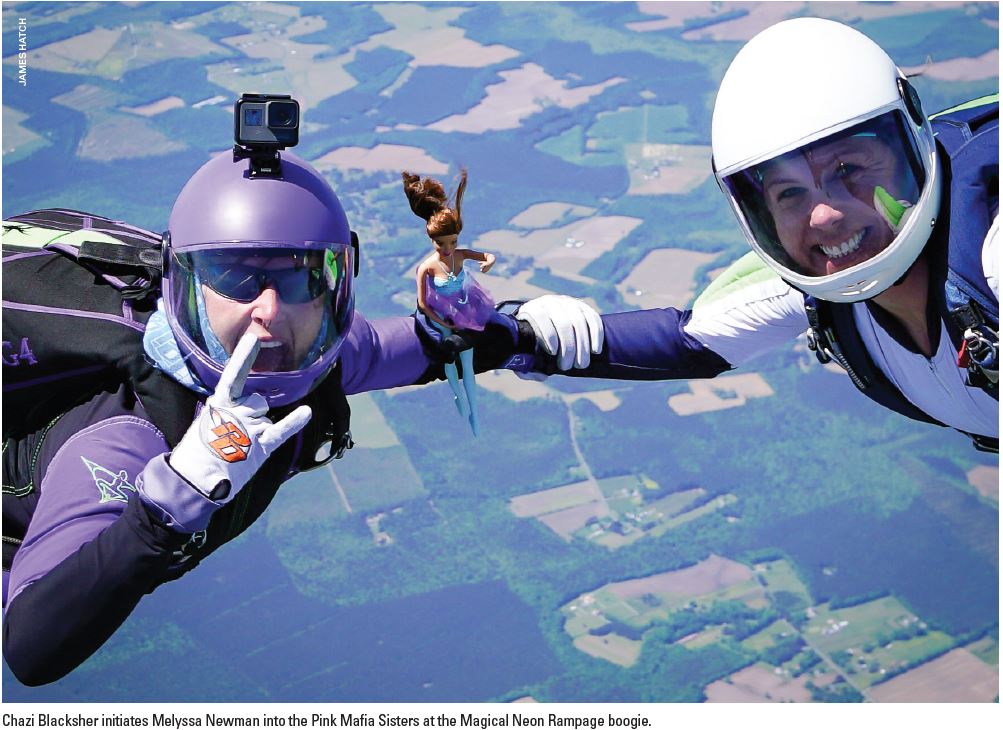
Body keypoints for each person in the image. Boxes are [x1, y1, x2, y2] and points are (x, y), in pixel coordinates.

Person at [0, 149, 532, 686]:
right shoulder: (124, 440)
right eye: (237, 280)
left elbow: (429, 347)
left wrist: (524, 331)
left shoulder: (318, 357)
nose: (270, 310)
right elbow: (30, 647)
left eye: (300, 279)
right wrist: (164, 508)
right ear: (186, 288)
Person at [512, 17, 998, 450]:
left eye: (849, 167)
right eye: (789, 195)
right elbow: (689, 343)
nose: (824, 216)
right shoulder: (813, 289)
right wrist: (501, 333)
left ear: (911, 142)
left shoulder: (990, 257)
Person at [405, 169, 497, 436]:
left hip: (465, 307)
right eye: (441, 243)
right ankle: (459, 398)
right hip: (441, 313)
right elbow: (423, 304)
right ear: (432, 240)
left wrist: (487, 261)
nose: (448, 249)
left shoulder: (459, 255)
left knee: (468, 360)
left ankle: (474, 413)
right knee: (449, 355)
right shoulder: (427, 267)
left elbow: (486, 254)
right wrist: (442, 322)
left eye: (452, 242)